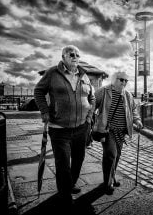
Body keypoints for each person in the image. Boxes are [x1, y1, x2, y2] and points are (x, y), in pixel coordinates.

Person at [34, 45, 95, 209]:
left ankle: (71, 183)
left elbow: (92, 97)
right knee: (62, 164)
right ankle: (64, 193)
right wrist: (44, 111)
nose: (75, 57)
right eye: (71, 54)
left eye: (77, 54)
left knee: (79, 159)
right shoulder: (52, 73)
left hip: (81, 128)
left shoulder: (84, 75)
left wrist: (89, 117)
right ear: (63, 57)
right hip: (59, 128)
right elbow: (38, 91)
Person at [94, 71, 143, 195]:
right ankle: (107, 183)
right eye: (121, 80)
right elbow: (92, 105)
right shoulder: (103, 91)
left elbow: (133, 110)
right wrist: (89, 121)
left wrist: (137, 120)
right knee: (111, 154)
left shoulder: (127, 95)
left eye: (126, 81)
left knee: (117, 156)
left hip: (122, 132)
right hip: (107, 130)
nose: (124, 82)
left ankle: (112, 176)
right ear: (114, 79)